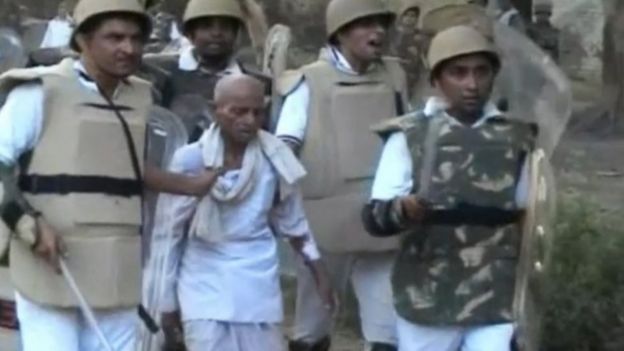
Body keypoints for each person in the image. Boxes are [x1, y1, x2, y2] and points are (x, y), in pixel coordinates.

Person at [0, 0, 223, 350]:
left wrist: (193, 185)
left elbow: (126, 170)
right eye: (114, 37)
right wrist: (29, 225)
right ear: (84, 40)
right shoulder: (40, 91)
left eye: (135, 38)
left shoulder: (141, 97)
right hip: (53, 266)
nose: (128, 48)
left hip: (117, 269)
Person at [363, 25, 536, 351]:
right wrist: (404, 209)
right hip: (427, 294)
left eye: (481, 72)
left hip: (496, 295)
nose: (471, 84)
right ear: (437, 79)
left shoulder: (517, 138)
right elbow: (375, 217)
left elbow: (532, 215)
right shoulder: (409, 136)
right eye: (458, 73)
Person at [157, 74, 334, 351]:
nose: (250, 120)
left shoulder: (276, 158)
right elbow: (168, 234)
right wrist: (166, 301)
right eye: (238, 111)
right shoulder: (191, 159)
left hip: (256, 278)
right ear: (215, 109)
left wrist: (320, 274)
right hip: (203, 277)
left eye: (257, 112)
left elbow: (295, 225)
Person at [275, 0, 408, 350]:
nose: (377, 32)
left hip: (381, 220)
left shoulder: (395, 76)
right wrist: (282, 208)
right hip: (323, 225)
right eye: (365, 24)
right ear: (341, 32)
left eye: (380, 24)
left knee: (386, 332)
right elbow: (283, 149)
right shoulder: (309, 82)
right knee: (312, 329)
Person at [156, 0, 270, 138]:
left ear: (236, 34)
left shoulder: (256, 83)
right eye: (206, 27)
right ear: (191, 34)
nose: (216, 33)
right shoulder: (162, 73)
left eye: (225, 27)